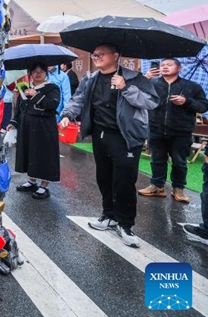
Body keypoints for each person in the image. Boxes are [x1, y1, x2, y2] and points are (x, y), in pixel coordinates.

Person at [60, 44, 158, 248]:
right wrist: (68, 114)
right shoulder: (90, 78)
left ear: (115, 56)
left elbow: (151, 102)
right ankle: (109, 215)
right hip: (100, 135)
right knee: (103, 178)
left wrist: (126, 88)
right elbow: (78, 99)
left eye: (100, 54)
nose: (96, 57)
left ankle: (125, 224)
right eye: (94, 54)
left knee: (124, 181)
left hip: (126, 137)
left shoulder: (134, 78)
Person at [139, 58, 208, 203]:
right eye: (162, 65)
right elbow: (139, 97)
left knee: (179, 161)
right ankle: (157, 186)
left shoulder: (191, 87)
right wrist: (145, 80)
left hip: (181, 131)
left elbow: (203, 106)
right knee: (157, 159)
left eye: (169, 65)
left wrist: (186, 102)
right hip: (156, 128)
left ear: (179, 68)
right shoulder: (152, 83)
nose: (164, 67)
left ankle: (179, 189)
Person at [8, 64, 61, 200]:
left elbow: (52, 105)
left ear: (46, 73)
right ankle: (31, 181)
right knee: (29, 153)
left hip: (44, 128)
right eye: (35, 71)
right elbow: (20, 107)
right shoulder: (25, 87)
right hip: (27, 127)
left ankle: (44, 185)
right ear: (30, 73)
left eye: (41, 71)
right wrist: (14, 122)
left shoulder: (52, 88)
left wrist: (36, 95)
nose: (38, 74)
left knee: (44, 155)